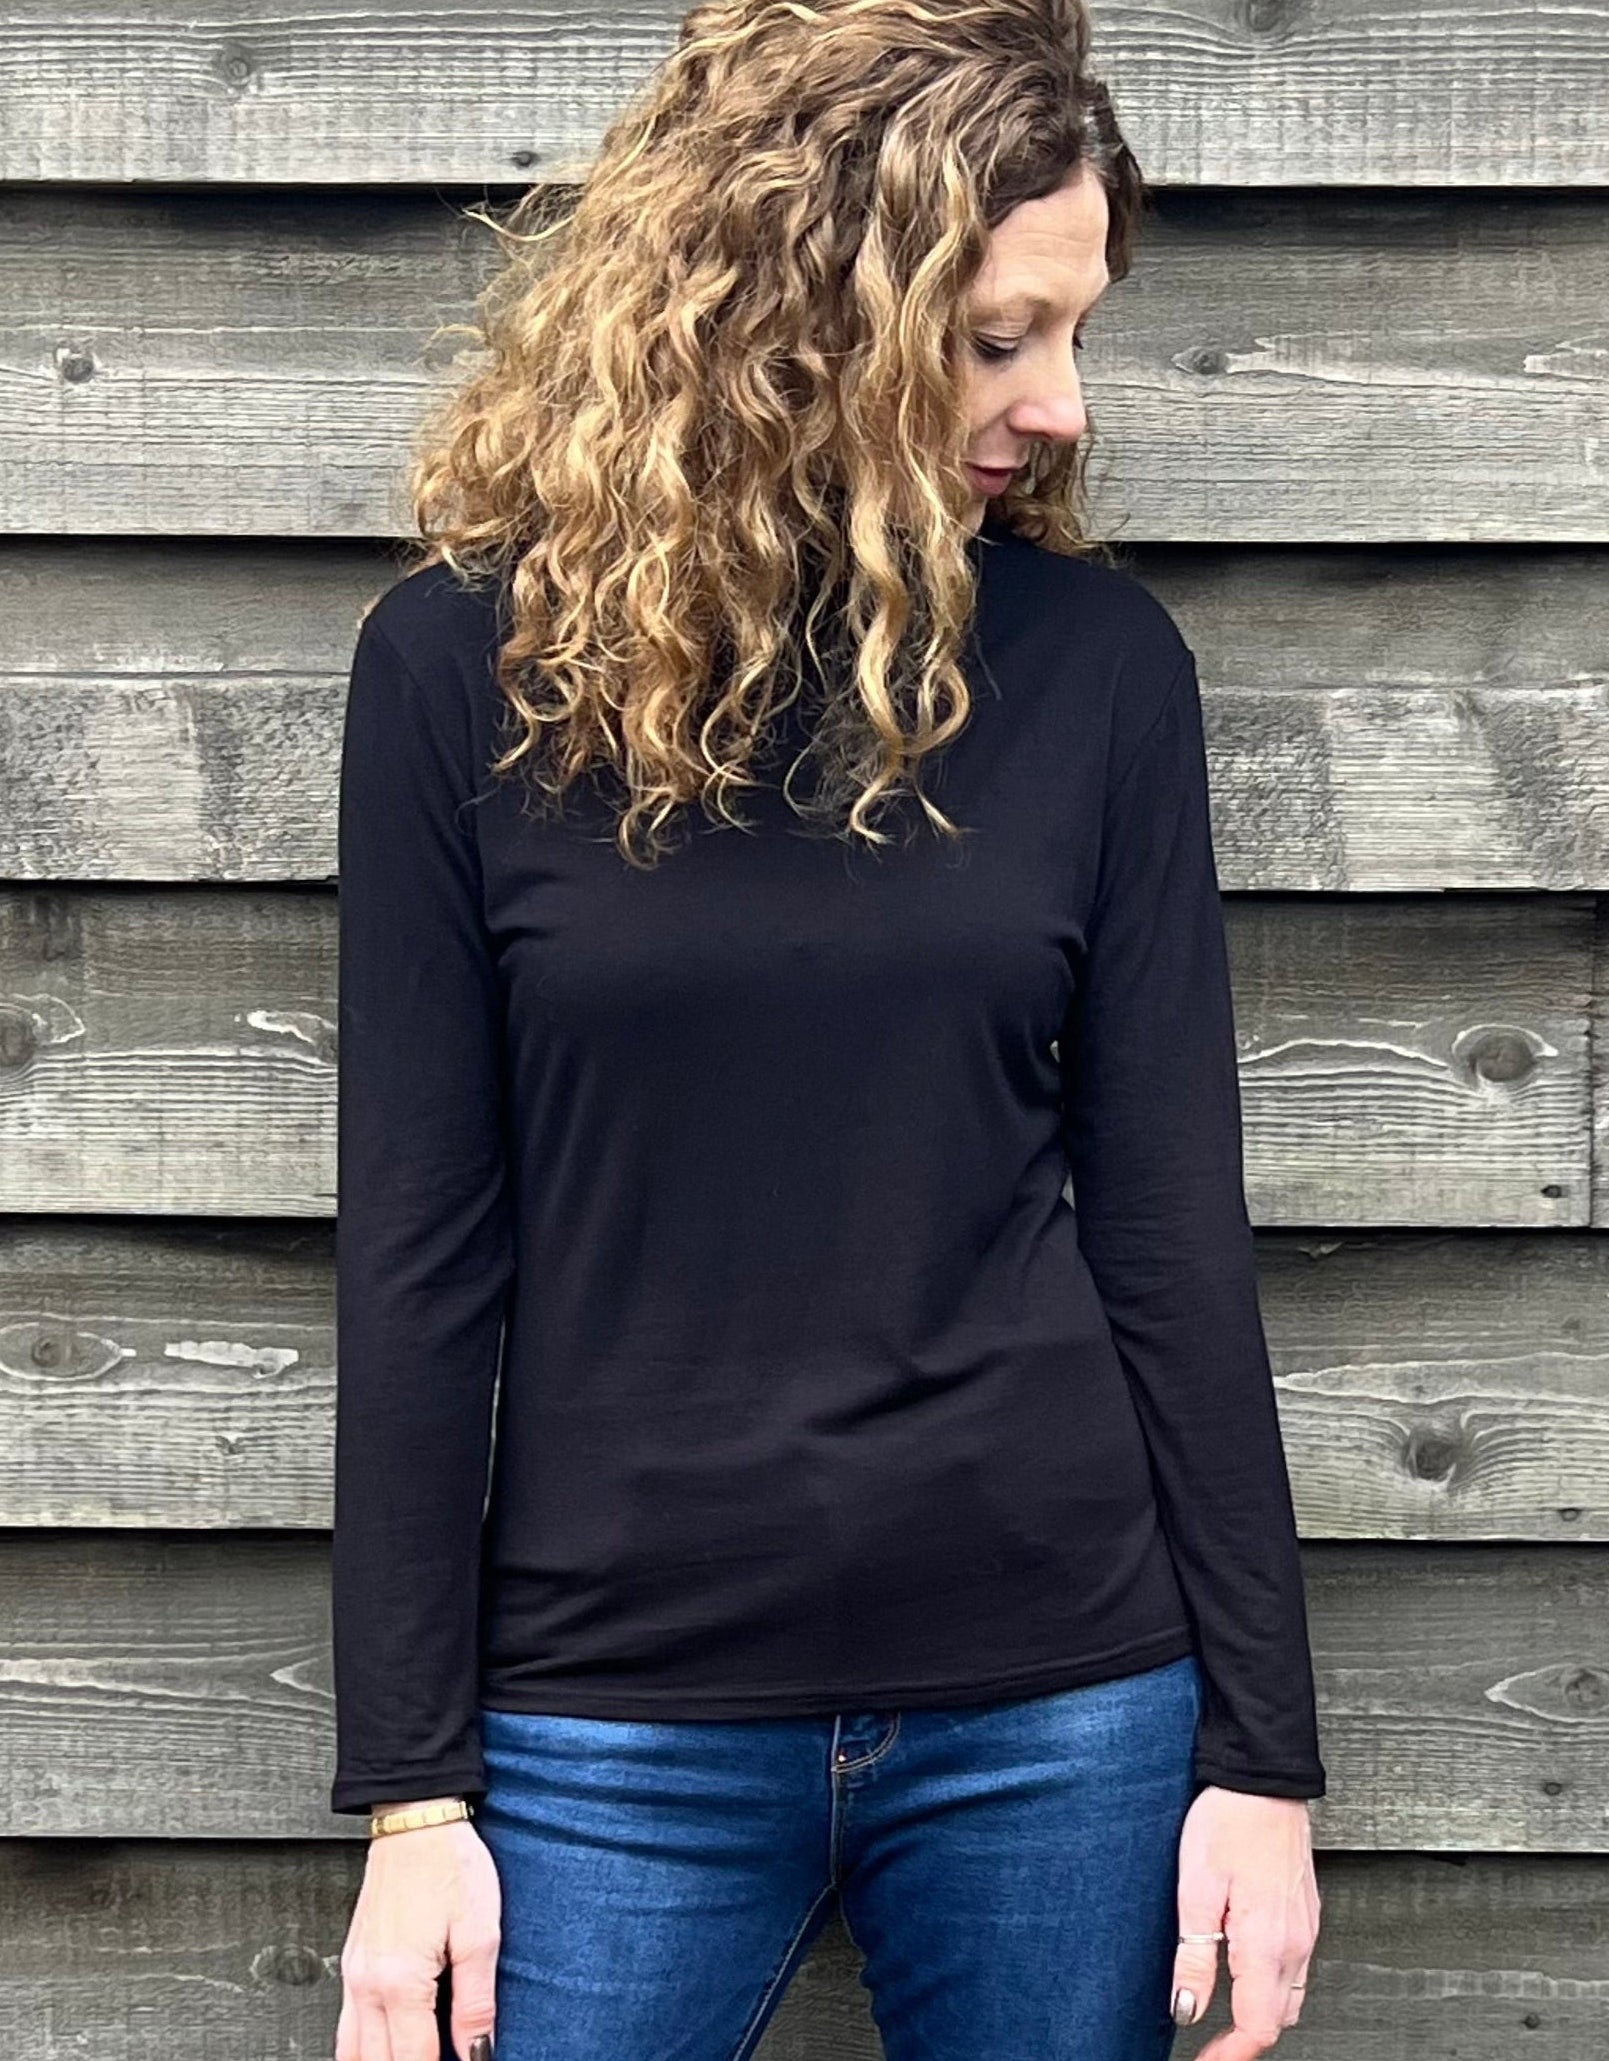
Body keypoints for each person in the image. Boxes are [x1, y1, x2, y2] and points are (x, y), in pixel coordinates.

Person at [328, 1, 1326, 2056]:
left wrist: (1264, 1753)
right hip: (609, 1718)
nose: (1057, 405)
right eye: (995, 338)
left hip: (1065, 1701)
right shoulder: (460, 674)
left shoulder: (1100, 673)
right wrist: (416, 1789)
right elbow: (420, 1257)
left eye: (1075, 335)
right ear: (800, 311)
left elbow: (1170, 1232)